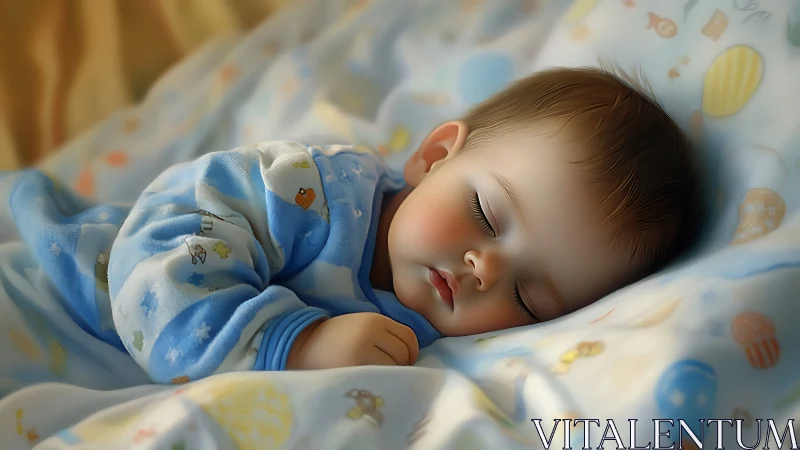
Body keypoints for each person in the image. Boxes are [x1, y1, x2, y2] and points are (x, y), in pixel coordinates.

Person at [0, 67, 701, 386]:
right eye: (486, 214)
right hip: (62, 301)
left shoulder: (442, 352)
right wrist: (294, 344)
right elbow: (162, 249)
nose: (484, 269)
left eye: (528, 296)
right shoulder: (307, 192)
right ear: (434, 157)